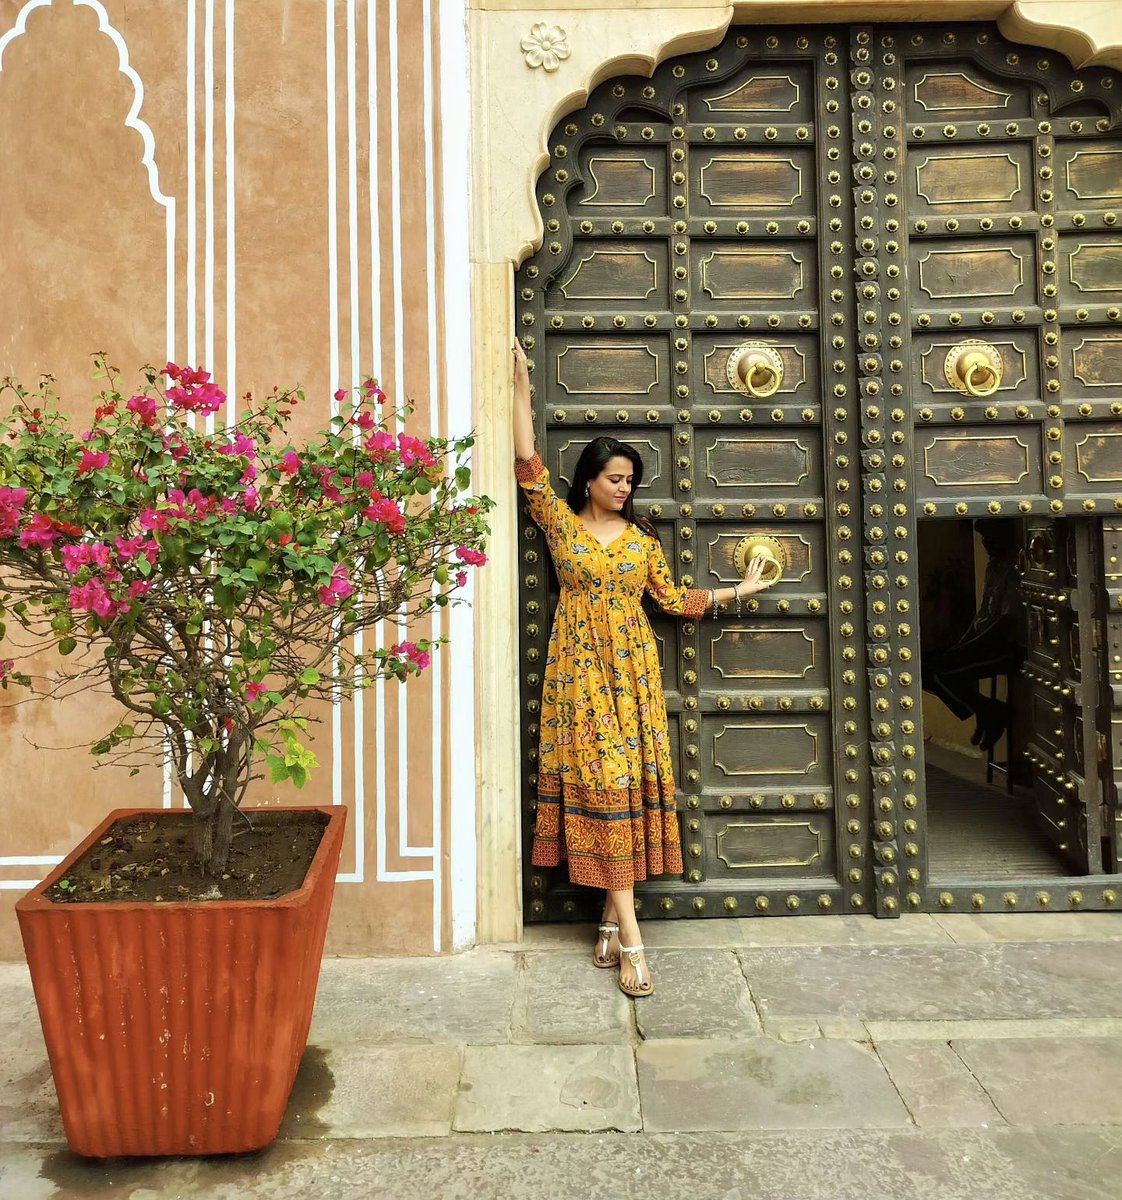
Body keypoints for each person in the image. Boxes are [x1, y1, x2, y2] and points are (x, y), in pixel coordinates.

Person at [512, 339, 769, 997]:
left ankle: (607, 924)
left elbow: (673, 601)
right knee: (602, 785)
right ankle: (633, 941)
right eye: (614, 478)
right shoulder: (561, 526)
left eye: (630, 480)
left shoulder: (643, 544)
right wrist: (519, 385)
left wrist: (739, 590)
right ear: (590, 481)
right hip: (577, 678)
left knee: (622, 790)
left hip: (632, 681)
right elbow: (528, 463)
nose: (624, 488)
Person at [921, 519, 1027, 752]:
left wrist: (970, 648)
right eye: (982, 538)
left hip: (1005, 646)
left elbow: (1006, 622)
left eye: (989, 538)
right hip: (984, 641)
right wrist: (961, 645)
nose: (985, 544)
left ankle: (990, 713)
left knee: (942, 673)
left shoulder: (1015, 569)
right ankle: (987, 711)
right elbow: (982, 615)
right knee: (923, 665)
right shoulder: (993, 567)